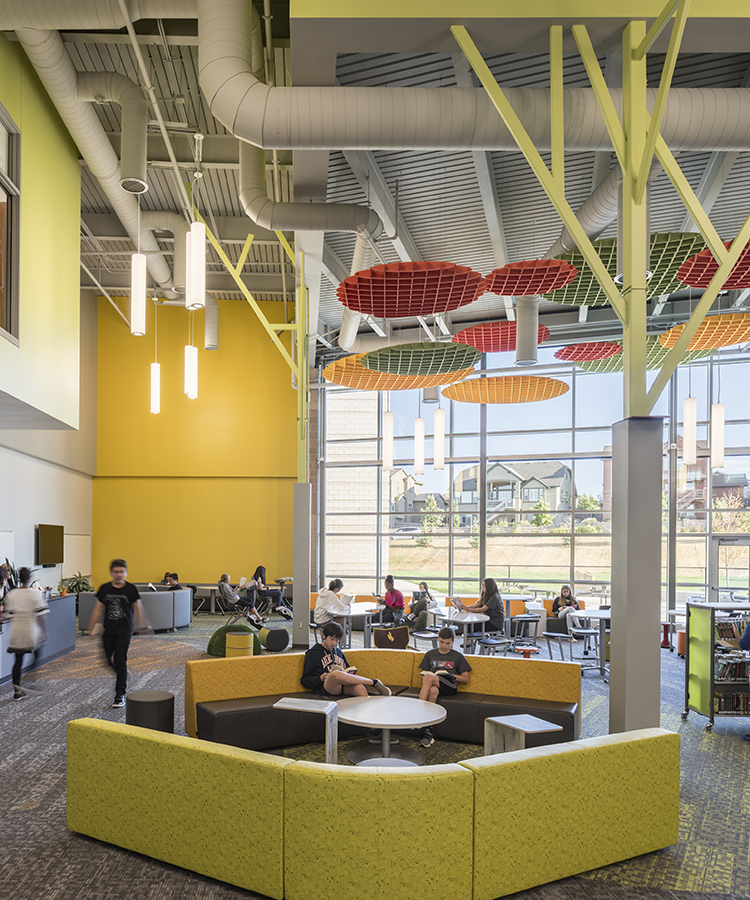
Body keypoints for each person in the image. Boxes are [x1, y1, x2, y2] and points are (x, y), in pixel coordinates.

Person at [88, 559, 150, 708]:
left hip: (124, 630)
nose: (119, 574)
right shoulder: (105, 589)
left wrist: (143, 627)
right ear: (111, 573)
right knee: (107, 660)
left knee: (120, 660)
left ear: (126, 573)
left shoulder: (131, 589)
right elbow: (98, 608)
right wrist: (91, 627)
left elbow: (138, 608)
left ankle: (119, 694)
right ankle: (123, 674)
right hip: (108, 630)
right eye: (116, 572)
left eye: (121, 571)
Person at [301, 621, 391, 697]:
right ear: (324, 636)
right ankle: (373, 682)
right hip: (326, 687)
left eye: (337, 640)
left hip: (343, 686)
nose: (334, 643)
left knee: (359, 687)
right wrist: (320, 678)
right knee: (335, 674)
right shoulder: (313, 653)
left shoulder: (339, 652)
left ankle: (367, 714)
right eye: (331, 639)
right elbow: (305, 680)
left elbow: (347, 670)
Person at [417, 626, 472, 747]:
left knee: (429, 678)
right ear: (438, 639)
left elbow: (466, 679)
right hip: (435, 684)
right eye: (442, 642)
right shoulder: (430, 654)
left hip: (450, 685)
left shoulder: (457, 656)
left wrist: (450, 675)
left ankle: (418, 712)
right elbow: (423, 675)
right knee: (432, 691)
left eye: (447, 643)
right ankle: (428, 731)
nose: (444, 646)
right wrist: (431, 678)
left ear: (452, 642)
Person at [4, 566, 49, 701]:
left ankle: (17, 691)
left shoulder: (12, 594)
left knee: (18, 660)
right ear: (29, 578)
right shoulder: (35, 593)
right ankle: (30, 677)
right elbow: (41, 615)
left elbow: (7, 616)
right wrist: (44, 632)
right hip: (30, 629)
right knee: (37, 652)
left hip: (17, 630)